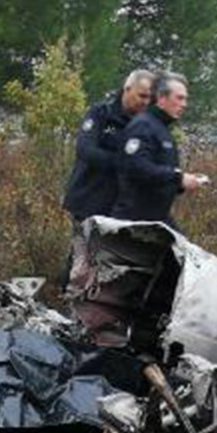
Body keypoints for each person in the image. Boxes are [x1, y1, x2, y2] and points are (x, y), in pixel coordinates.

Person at [60, 69, 154, 294]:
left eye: (149, 98)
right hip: (88, 200)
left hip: (122, 209)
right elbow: (85, 150)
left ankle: (92, 309)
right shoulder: (100, 113)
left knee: (110, 265)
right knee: (81, 260)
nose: (146, 102)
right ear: (127, 89)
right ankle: (65, 303)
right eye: (141, 96)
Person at [111, 73, 207, 228]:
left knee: (184, 250)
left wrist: (184, 182)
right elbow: (135, 166)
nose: (184, 104)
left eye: (185, 99)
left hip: (157, 218)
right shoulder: (143, 125)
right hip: (135, 220)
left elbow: (158, 176)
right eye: (179, 98)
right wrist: (177, 177)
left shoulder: (162, 129)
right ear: (162, 99)